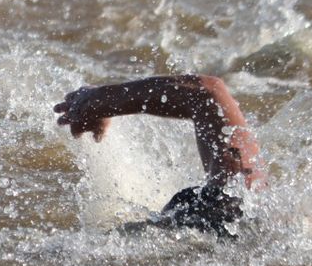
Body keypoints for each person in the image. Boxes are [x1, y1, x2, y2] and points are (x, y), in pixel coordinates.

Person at [54, 74, 264, 237]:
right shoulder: (252, 209)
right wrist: (102, 102)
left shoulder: (238, 204)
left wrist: (96, 102)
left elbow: (207, 93)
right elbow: (208, 93)